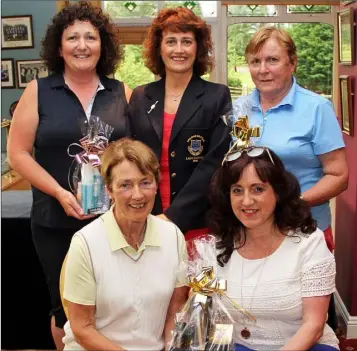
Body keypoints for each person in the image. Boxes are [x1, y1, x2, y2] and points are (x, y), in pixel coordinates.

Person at [7, 2, 131, 348]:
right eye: (72, 37)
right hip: (54, 221)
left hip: (112, 222)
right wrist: (60, 192)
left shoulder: (121, 92)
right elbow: (18, 154)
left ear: (102, 44)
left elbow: (132, 155)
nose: (82, 45)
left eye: (90, 37)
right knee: (65, 310)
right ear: (59, 47)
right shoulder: (39, 91)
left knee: (109, 305)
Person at [62, 138, 188, 350]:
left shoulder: (173, 236)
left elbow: (175, 312)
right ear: (109, 190)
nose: (137, 195)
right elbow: (82, 328)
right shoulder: (85, 243)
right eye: (125, 185)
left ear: (157, 185)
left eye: (145, 182)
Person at [209, 146, 339, 351]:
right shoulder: (215, 246)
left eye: (257, 189)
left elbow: (314, 326)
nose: (246, 201)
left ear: (278, 192)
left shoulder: (309, 243)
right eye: (237, 190)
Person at [233, 27, 348, 252]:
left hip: (304, 230)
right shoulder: (239, 109)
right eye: (255, 61)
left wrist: (292, 203)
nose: (263, 70)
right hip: (251, 233)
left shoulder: (317, 108)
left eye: (273, 60)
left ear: (292, 63)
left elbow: (339, 175)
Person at [127, 7, 232, 240]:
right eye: (171, 41)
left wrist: (173, 216)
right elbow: (130, 157)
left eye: (187, 41)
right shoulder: (140, 96)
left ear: (198, 47)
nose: (179, 50)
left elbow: (215, 163)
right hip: (145, 217)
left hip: (198, 221)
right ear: (159, 48)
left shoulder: (217, 96)